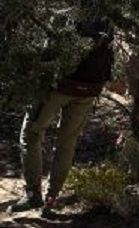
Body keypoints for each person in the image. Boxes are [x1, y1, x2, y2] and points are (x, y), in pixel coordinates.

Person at [12, 20, 114, 213]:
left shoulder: (66, 7)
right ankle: (52, 198)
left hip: (59, 86)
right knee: (67, 142)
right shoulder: (104, 10)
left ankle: (33, 195)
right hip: (89, 89)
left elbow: (49, 48)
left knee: (31, 133)